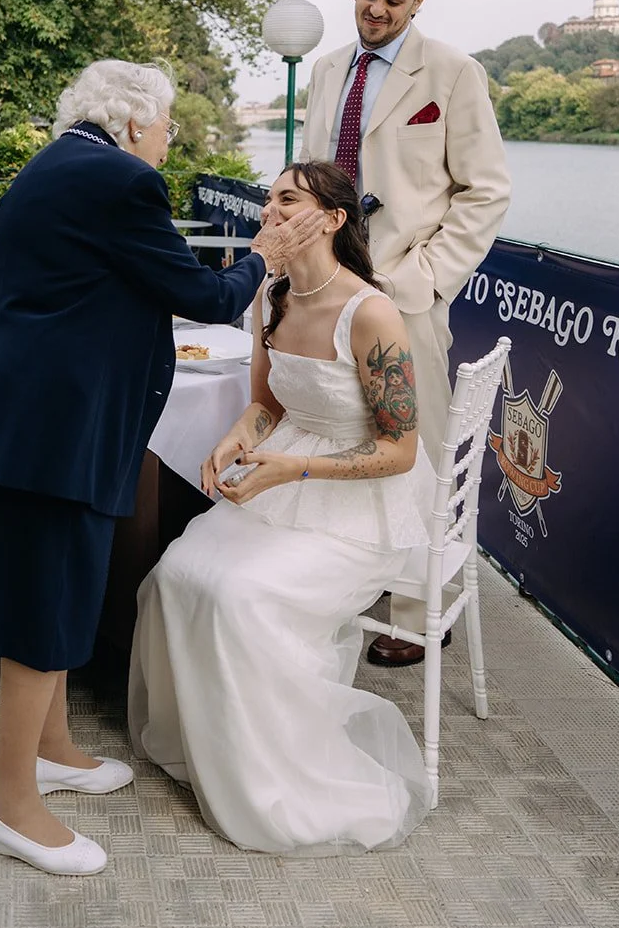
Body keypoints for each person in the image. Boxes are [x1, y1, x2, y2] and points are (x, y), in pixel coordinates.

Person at [0, 59, 323, 876]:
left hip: (30, 423)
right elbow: (206, 296)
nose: (167, 140)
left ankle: (49, 751)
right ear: (130, 122)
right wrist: (262, 255)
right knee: (41, 603)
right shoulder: (118, 180)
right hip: (53, 433)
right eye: (165, 126)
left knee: (58, 589)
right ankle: (11, 802)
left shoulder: (55, 166)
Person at [128, 161, 436, 854]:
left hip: (361, 501)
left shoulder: (371, 312)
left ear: (331, 219)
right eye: (267, 199)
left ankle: (274, 773)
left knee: (243, 596)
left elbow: (398, 451)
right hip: (285, 473)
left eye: (287, 200)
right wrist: (234, 437)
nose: (269, 210)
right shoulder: (268, 296)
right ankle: (204, 747)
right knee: (177, 573)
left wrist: (289, 469)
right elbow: (267, 404)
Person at [302, 0, 512, 664]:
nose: (377, 10)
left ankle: (419, 607)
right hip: (330, 290)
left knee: (412, 448)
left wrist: (426, 277)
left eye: (394, 0)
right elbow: (311, 177)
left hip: (407, 297)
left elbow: (486, 189)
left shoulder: (454, 73)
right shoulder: (327, 72)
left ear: (417, 2)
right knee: (336, 434)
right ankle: (346, 587)